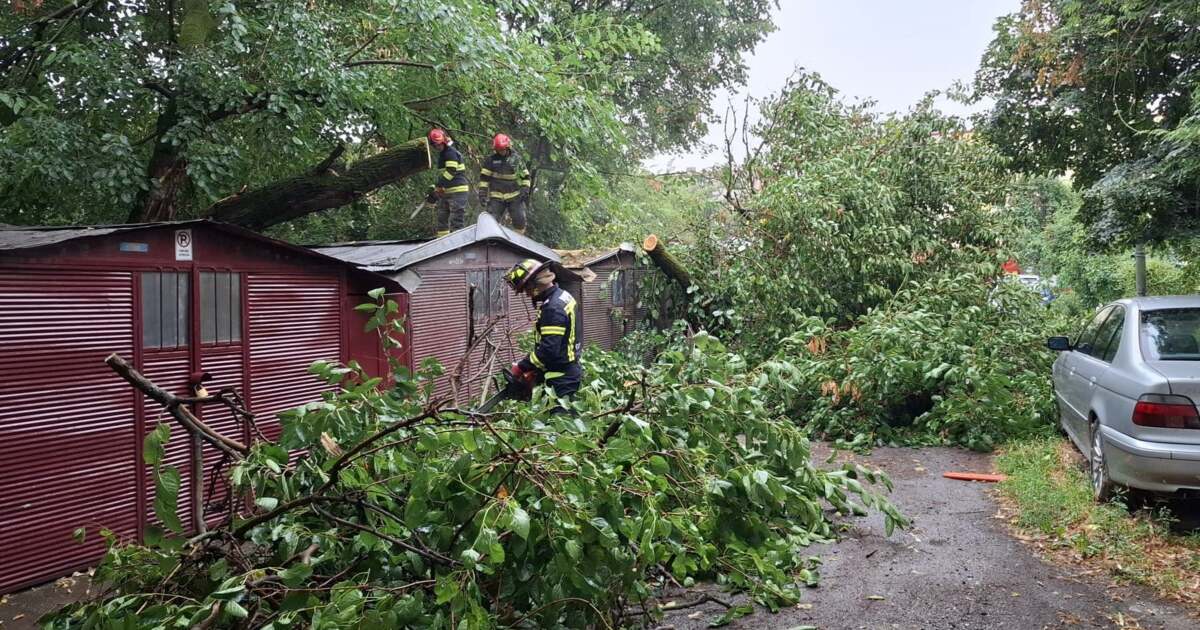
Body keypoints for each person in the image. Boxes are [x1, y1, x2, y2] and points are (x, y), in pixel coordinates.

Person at [504, 258, 582, 401]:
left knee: (558, 420)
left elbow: (549, 350)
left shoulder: (552, 308)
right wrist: (535, 368)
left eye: (526, 289)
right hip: (565, 371)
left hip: (560, 377)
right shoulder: (562, 296)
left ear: (536, 284)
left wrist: (522, 366)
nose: (527, 295)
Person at [478, 133, 531, 234]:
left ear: (508, 147)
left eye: (502, 149)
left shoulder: (515, 159)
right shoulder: (491, 160)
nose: (500, 152)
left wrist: (525, 189)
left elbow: (526, 177)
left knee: (519, 219)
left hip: (515, 196)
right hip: (496, 197)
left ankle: (519, 242)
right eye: (498, 150)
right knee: (491, 220)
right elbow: (484, 179)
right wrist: (482, 194)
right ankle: (491, 241)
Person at [426, 128, 470, 236]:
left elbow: (451, 172)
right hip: (447, 191)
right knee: (442, 218)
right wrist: (436, 190)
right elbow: (443, 176)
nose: (437, 147)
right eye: (435, 145)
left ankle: (458, 245)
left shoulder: (450, 153)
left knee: (456, 220)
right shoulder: (442, 155)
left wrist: (438, 185)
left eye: (439, 144)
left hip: (458, 191)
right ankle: (442, 244)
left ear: (444, 142)